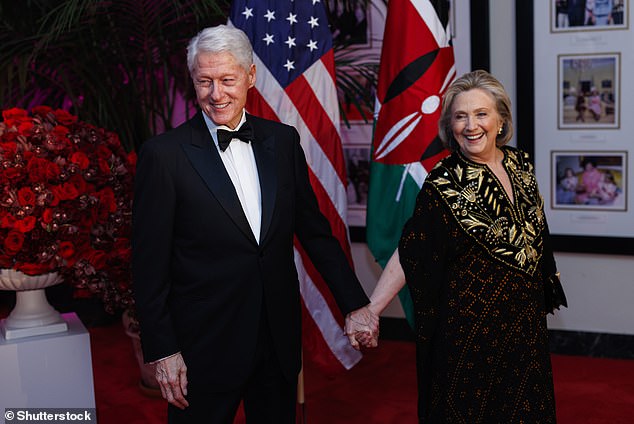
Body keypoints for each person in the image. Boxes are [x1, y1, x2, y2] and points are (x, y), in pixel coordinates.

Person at [132, 25, 378, 424]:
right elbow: (149, 264)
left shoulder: (282, 141)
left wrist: (354, 304)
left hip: (276, 338)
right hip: (203, 345)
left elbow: (314, 232)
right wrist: (163, 350)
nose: (217, 94)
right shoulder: (164, 155)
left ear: (250, 76)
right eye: (204, 82)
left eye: (227, 80)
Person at [354, 70, 567, 423]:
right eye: (460, 116)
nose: (471, 126)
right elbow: (412, 250)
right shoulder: (444, 182)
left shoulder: (520, 164)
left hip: (524, 329)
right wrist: (372, 309)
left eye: (481, 114)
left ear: (500, 119)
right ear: (449, 126)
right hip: (470, 337)